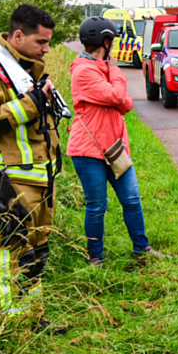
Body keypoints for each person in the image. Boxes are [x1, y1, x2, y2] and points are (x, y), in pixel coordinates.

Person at [0, 4, 60, 321]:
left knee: (36, 251)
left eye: (48, 42)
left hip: (36, 182)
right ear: (18, 36)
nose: (46, 49)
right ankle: (9, 326)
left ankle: (34, 317)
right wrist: (32, 105)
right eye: (41, 42)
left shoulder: (22, 70)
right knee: (10, 254)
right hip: (6, 184)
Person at [67, 17, 160, 266]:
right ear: (106, 41)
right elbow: (120, 97)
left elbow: (125, 104)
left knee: (131, 199)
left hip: (114, 147)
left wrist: (117, 91)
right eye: (112, 41)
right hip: (88, 150)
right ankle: (95, 256)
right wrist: (116, 71)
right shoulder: (84, 71)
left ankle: (142, 248)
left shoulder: (101, 68)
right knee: (97, 205)